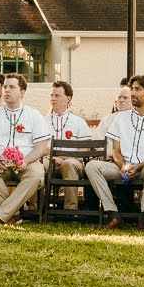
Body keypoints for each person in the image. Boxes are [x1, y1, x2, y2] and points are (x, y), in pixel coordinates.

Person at [86, 74, 144, 229]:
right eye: (132, 89)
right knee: (92, 166)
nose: (133, 93)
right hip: (122, 167)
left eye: (137, 89)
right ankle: (113, 214)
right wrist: (124, 166)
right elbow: (116, 151)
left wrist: (137, 167)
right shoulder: (120, 118)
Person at [0, 73, 50, 226]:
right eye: (5, 87)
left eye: (12, 87)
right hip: (0, 162)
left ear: (22, 92)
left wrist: (26, 160)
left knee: (37, 173)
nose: (6, 90)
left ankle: (2, 216)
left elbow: (41, 147)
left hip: (27, 162)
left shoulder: (34, 115)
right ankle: (13, 214)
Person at [44, 80, 93, 211]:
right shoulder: (43, 122)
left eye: (57, 96)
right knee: (36, 165)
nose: (53, 99)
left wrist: (62, 158)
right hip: (49, 162)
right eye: (52, 95)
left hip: (72, 165)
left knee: (69, 164)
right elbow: (40, 147)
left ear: (68, 98)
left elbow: (84, 150)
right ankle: (37, 208)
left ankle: (70, 210)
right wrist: (53, 158)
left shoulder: (78, 122)